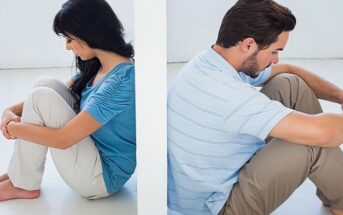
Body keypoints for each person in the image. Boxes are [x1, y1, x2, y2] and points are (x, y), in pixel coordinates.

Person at [167, 0, 343, 214]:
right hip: (217, 207)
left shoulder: (209, 61)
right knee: (310, 142)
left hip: (212, 180)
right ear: (249, 45)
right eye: (274, 51)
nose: (276, 60)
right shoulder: (229, 96)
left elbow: (288, 70)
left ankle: (334, 191)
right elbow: (324, 133)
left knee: (289, 84)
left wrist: (341, 97)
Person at [0, 0, 136, 201]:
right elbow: (53, 95)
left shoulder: (119, 82)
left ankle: (23, 184)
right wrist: (9, 111)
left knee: (41, 97)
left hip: (101, 177)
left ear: (89, 34)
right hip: (90, 153)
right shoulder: (100, 65)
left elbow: (62, 140)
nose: (67, 46)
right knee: (45, 84)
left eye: (70, 39)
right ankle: (18, 176)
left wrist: (12, 128)